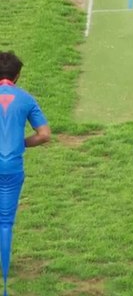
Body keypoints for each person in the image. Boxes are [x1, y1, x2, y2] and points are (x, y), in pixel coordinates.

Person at [0, 51, 51, 294]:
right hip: (12, 168)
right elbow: (44, 135)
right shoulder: (26, 99)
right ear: (17, 75)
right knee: (5, 221)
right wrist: (21, 144)